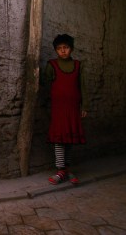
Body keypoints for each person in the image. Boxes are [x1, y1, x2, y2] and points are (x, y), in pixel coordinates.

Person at [44, 34, 88, 185]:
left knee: (69, 139)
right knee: (59, 139)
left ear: (71, 49)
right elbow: (45, 84)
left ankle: (66, 170)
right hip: (58, 108)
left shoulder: (78, 65)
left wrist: (85, 106)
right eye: (59, 48)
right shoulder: (52, 65)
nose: (63, 51)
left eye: (66, 48)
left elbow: (83, 87)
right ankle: (60, 170)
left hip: (73, 108)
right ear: (56, 50)